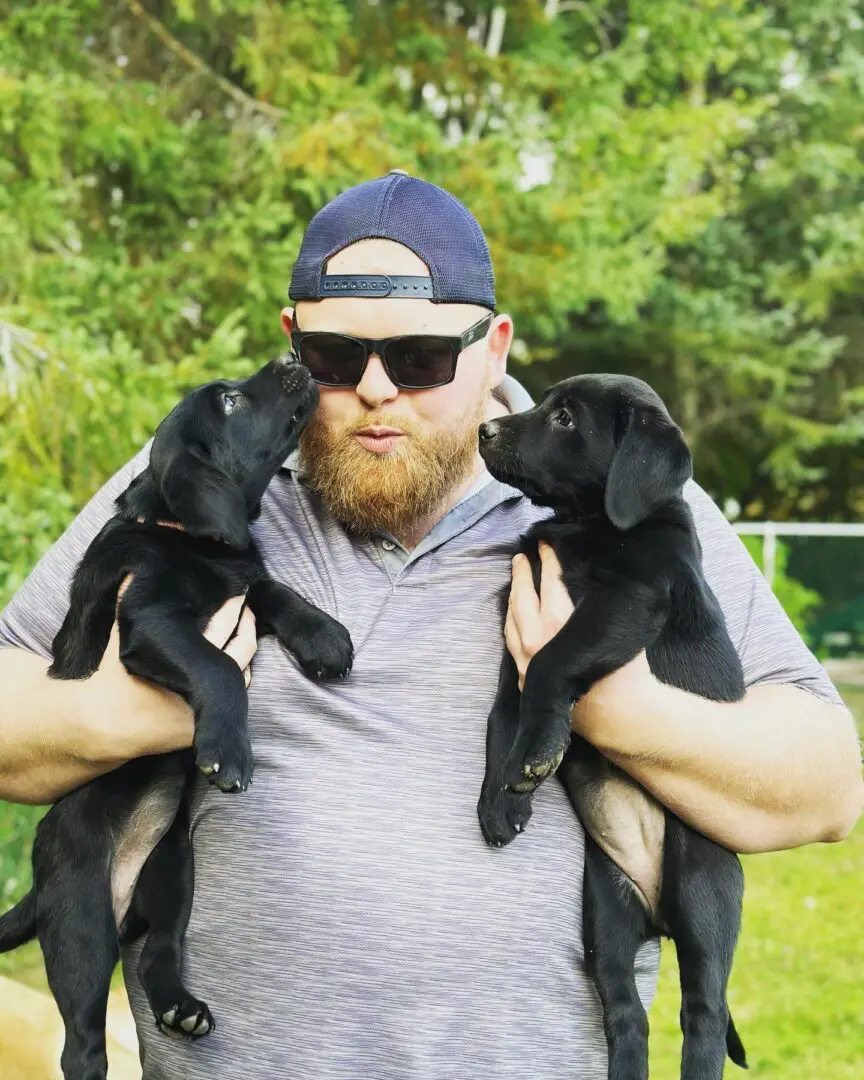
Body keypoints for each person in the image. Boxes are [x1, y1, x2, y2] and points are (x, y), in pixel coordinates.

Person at [0, 172, 860, 1080]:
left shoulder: (615, 498)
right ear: (292, 344)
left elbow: (826, 788)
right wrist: (151, 709)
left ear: (493, 348)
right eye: (336, 356)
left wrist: (611, 709)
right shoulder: (203, 480)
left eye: (419, 358)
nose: (376, 390)